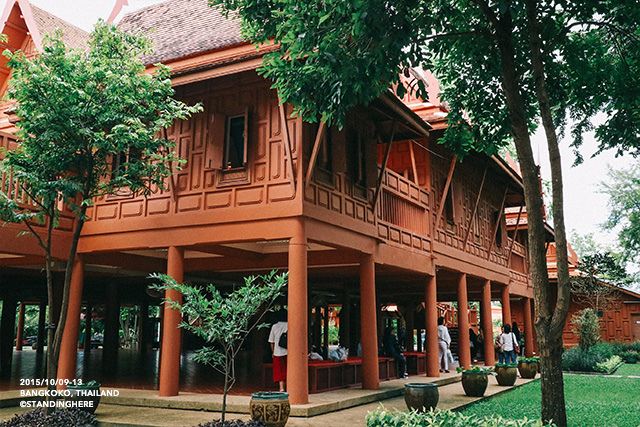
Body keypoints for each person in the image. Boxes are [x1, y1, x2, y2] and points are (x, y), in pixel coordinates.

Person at [268, 309, 288, 391]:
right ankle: (288, 387)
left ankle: (281, 388)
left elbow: (271, 341)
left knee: (279, 370)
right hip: (288, 352)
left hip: (277, 352)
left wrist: (273, 352)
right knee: (288, 370)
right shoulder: (290, 325)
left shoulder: (274, 326)